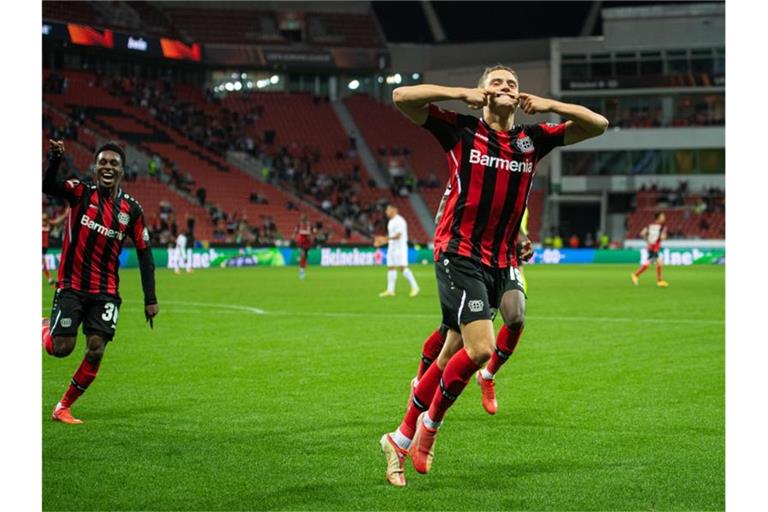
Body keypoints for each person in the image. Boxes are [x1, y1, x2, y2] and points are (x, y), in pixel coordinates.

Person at [379, 65, 608, 486]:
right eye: (496, 83)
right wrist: (460, 92)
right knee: (481, 348)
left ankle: (399, 437)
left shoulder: (531, 140)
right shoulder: (460, 130)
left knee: (454, 351)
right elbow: (400, 97)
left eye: (512, 84)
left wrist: (552, 106)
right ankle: (429, 428)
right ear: (484, 92)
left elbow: (599, 125)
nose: (505, 88)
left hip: (501, 261)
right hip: (460, 253)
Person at [41, 139, 159, 424]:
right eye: (103, 162)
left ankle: (63, 407)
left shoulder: (131, 210)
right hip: (71, 285)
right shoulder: (80, 192)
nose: (108, 167)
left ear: (122, 170)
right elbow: (48, 186)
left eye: (113, 163)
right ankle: (43, 326)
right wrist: (55, 160)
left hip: (106, 291)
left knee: (96, 348)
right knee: (61, 349)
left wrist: (150, 298)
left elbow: (145, 253)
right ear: (95, 168)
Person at [374, 204, 420, 297]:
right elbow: (392, 236)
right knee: (391, 267)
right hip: (392, 247)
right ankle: (390, 290)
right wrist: (384, 241)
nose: (386, 212)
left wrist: (383, 239)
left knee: (403, 268)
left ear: (394, 210)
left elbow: (398, 236)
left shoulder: (400, 221)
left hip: (400, 247)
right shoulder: (391, 221)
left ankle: (415, 287)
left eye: (388, 210)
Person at [631, 212, 669, 287]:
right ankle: (636, 275)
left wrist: (648, 240)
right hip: (654, 248)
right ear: (658, 217)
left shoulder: (650, 226)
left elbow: (642, 233)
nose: (664, 217)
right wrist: (664, 236)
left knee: (658, 263)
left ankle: (659, 281)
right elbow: (662, 238)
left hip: (651, 247)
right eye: (662, 216)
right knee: (653, 262)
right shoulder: (661, 227)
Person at [42, 209, 67, 286]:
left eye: (45, 218)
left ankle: (49, 278)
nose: (44, 219)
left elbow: (57, 221)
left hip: (45, 247)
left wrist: (65, 214)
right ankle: (49, 279)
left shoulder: (48, 224)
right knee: (43, 262)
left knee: (43, 263)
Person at [294, 213, 314, 280]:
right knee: (303, 255)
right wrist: (294, 235)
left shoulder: (309, 225)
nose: (302, 219)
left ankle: (302, 266)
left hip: (307, 242)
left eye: (303, 218)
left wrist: (312, 233)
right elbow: (296, 231)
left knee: (305, 257)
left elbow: (312, 231)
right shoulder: (299, 224)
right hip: (301, 241)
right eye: (301, 218)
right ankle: (301, 271)